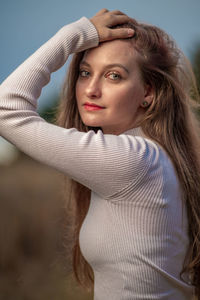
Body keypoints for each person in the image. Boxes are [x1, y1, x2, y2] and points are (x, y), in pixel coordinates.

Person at [0, 8, 200, 300]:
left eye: (114, 76)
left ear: (149, 92)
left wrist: (73, 35)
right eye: (85, 72)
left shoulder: (134, 159)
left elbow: (6, 110)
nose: (91, 89)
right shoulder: (155, 154)